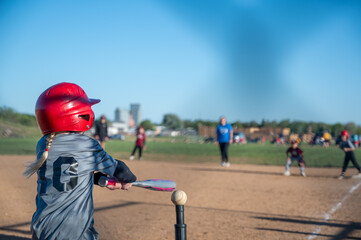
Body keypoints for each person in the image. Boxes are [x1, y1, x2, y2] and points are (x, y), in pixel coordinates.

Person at [24, 82, 136, 240]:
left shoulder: (43, 144)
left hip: (42, 230)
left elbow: (70, 173)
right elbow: (122, 171)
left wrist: (101, 179)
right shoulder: (88, 145)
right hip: (77, 232)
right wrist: (127, 181)